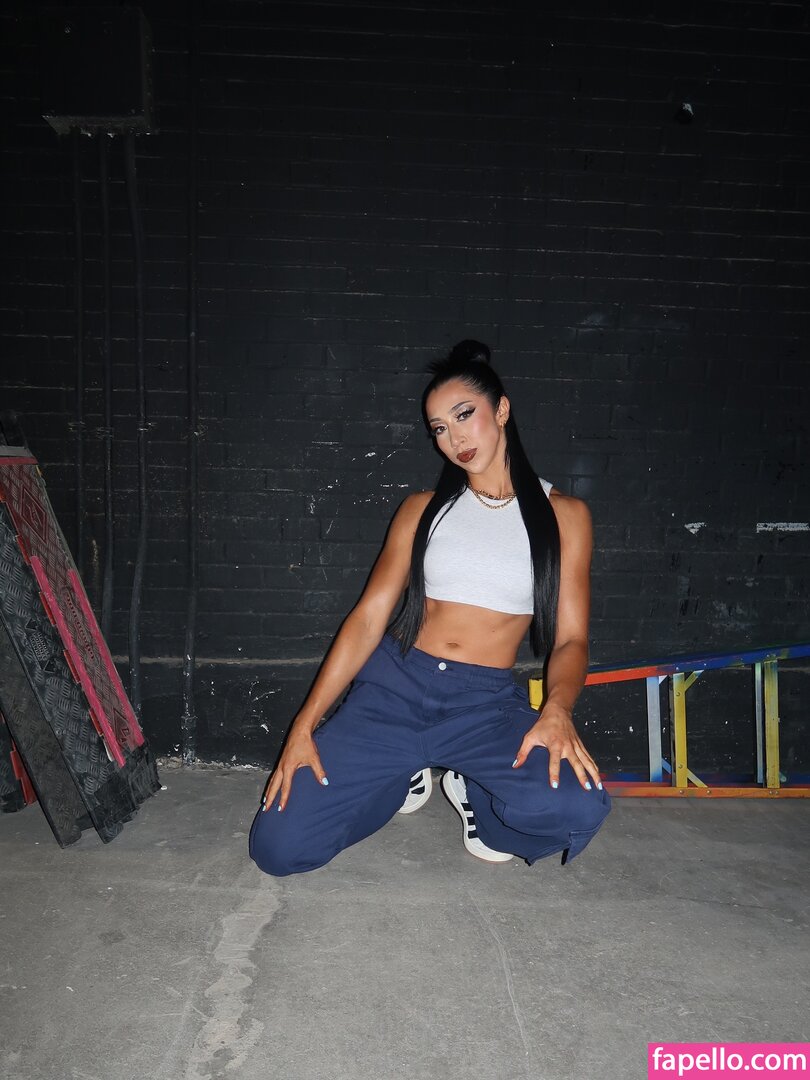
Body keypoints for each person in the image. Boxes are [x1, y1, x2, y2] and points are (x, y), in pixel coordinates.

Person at [249, 339, 610, 876]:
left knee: (576, 805)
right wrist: (304, 724)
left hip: (481, 706)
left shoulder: (565, 516)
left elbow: (571, 639)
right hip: (394, 689)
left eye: (464, 415)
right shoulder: (422, 509)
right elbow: (367, 619)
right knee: (277, 848)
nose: (454, 438)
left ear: (502, 410)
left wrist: (558, 709)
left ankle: (474, 790)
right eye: (439, 428)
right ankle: (398, 778)